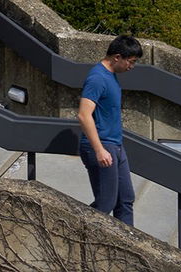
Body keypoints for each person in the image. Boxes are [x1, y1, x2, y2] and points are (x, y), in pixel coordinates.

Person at [77, 34, 143, 226]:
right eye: (130, 62)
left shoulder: (111, 76)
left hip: (115, 145)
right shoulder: (97, 78)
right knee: (105, 204)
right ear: (117, 57)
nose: (131, 67)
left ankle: (127, 247)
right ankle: (79, 232)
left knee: (125, 199)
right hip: (101, 146)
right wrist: (99, 150)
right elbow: (83, 114)